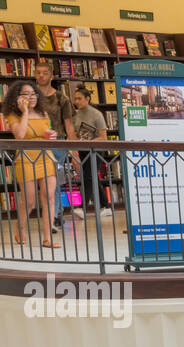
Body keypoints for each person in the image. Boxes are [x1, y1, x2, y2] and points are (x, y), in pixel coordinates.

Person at [2, 80, 60, 248]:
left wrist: (51, 135)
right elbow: (20, 135)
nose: (31, 97)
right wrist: (25, 112)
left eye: (33, 93)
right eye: (25, 94)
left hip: (45, 156)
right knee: (29, 200)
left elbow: (46, 132)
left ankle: (47, 238)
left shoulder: (44, 113)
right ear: (17, 97)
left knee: (48, 197)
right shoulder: (14, 115)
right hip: (26, 158)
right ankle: (20, 229)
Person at [32, 60, 78, 226]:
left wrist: (74, 150)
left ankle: (54, 215)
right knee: (41, 181)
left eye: (45, 72)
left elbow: (69, 126)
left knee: (52, 179)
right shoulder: (31, 97)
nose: (41, 75)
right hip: (36, 142)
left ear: (51, 76)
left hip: (57, 143)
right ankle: (53, 214)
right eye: (38, 72)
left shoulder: (61, 98)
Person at [70, 84, 110, 217]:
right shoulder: (76, 115)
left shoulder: (97, 115)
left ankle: (82, 208)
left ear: (87, 99)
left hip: (96, 151)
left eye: (79, 98)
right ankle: (105, 206)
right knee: (92, 177)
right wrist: (74, 151)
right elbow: (74, 134)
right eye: (75, 99)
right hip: (83, 151)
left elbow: (103, 137)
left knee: (88, 177)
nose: (76, 101)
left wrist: (89, 143)